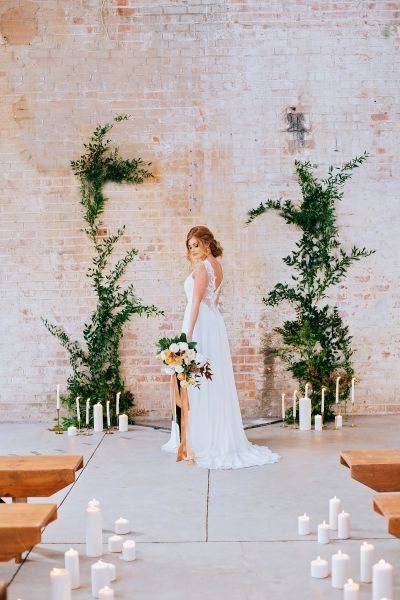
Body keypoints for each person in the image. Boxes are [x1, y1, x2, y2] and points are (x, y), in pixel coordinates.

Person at [163, 225, 279, 469]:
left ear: (207, 243)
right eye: (190, 246)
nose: (193, 249)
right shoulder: (217, 266)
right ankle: (205, 433)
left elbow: (195, 303)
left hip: (201, 324)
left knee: (197, 379)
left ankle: (202, 439)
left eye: (196, 244)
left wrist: (187, 336)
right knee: (207, 380)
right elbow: (213, 299)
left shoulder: (202, 267)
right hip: (212, 322)